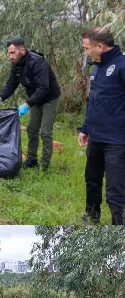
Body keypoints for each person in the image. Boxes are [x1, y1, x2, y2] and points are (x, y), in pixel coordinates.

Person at [0, 38, 61, 171]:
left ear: (22, 50)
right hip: (35, 99)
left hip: (49, 98)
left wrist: (27, 105)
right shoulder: (17, 64)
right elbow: (11, 84)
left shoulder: (37, 62)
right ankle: (31, 160)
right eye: (9, 53)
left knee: (45, 132)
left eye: (12, 53)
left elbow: (43, 88)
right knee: (31, 129)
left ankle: (44, 166)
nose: (10, 56)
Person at [78, 27, 125, 225]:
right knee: (92, 180)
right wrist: (85, 128)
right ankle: (91, 216)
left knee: (115, 189)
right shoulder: (96, 67)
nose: (85, 52)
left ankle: (119, 225)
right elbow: (94, 101)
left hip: (117, 140)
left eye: (87, 48)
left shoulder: (122, 65)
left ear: (100, 46)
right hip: (96, 137)